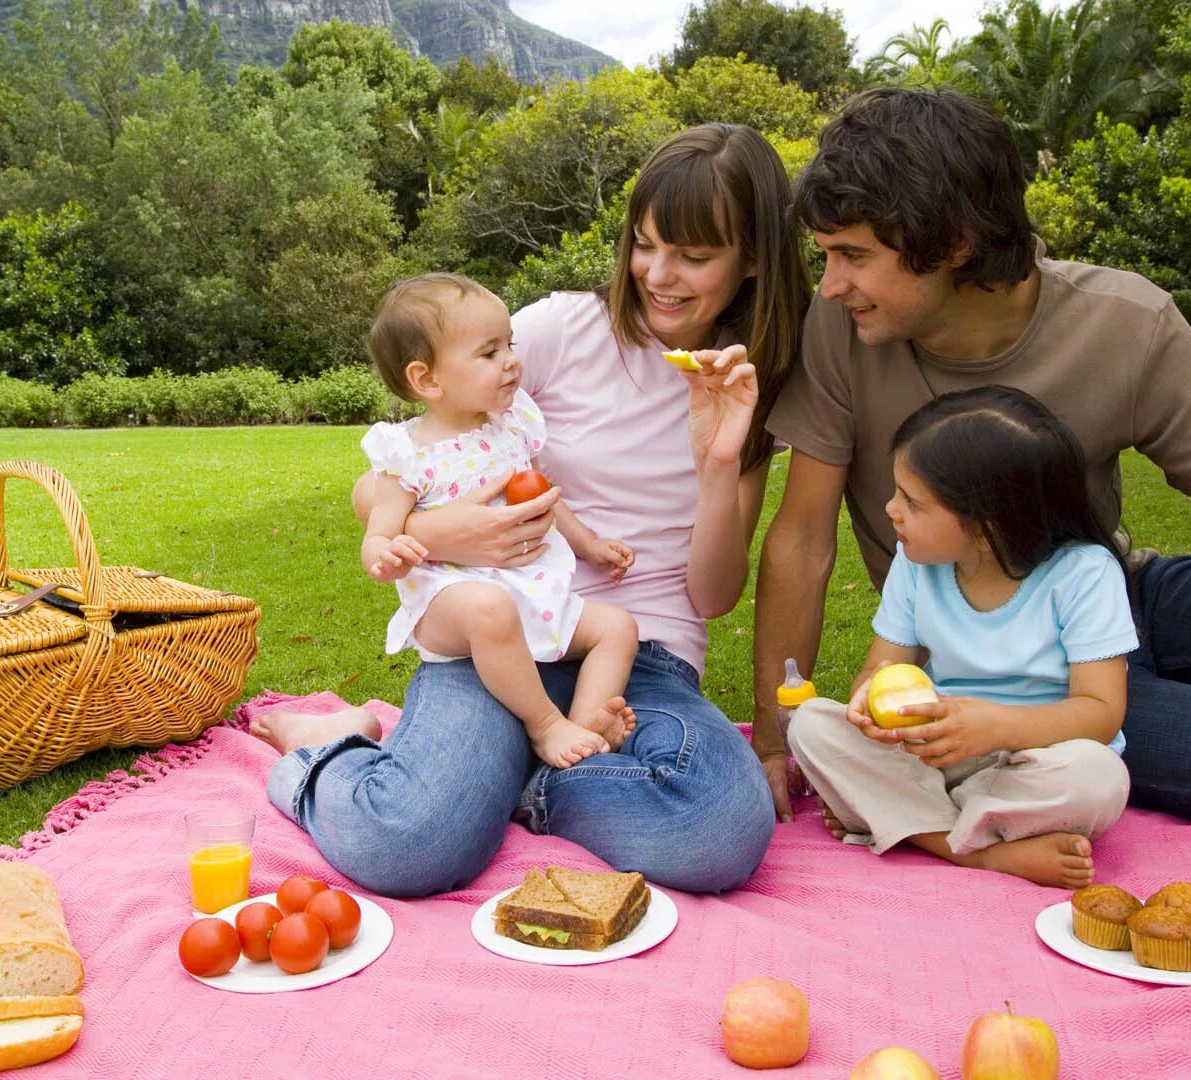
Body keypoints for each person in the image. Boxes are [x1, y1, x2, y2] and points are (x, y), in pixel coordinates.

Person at [754, 87, 1191, 851]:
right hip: (1007, 681)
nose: (831, 284)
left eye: (854, 256)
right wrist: (775, 740)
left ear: (956, 241)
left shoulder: (1128, 326)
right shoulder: (841, 330)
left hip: (1117, 598)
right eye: (827, 255)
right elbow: (802, 542)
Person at [250, 122, 808, 896]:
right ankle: (332, 750)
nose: (659, 274)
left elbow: (712, 597)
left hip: (638, 657)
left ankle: (509, 778)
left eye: (695, 255)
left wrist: (718, 464)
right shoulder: (559, 329)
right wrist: (436, 531)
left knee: (716, 828)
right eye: (645, 244)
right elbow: (383, 481)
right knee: (408, 847)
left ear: (752, 258)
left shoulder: (749, 384)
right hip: (494, 637)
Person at [789, 387, 1136, 888]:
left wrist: (998, 727)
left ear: (988, 519)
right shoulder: (916, 563)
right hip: (934, 753)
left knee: (1099, 779)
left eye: (912, 501)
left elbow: (1102, 714)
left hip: (1035, 759)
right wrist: (867, 702)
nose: (891, 510)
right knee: (811, 726)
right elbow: (880, 666)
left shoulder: (1084, 574)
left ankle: (904, 821)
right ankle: (982, 851)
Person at [358, 272, 639, 769]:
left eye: (508, 344)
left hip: (525, 592)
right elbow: (381, 530)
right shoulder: (406, 454)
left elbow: (539, 499)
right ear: (427, 379)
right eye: (489, 353)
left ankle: (589, 722)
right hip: (452, 605)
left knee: (617, 627)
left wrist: (589, 544)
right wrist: (386, 555)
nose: (511, 360)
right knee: (489, 610)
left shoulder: (509, 428)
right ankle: (547, 725)